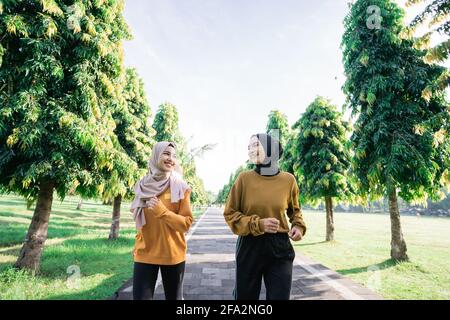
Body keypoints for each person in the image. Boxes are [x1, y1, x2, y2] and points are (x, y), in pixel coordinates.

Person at [223, 133, 307, 300]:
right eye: (248, 147)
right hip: (250, 244)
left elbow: (295, 211)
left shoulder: (288, 180)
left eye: (255, 145)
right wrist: (258, 224)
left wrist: (298, 227)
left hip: (280, 247)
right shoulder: (244, 179)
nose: (250, 150)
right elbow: (230, 213)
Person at [130, 141, 193, 300]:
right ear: (156, 155)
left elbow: (186, 224)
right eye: (166, 153)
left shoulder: (181, 187)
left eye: (174, 156)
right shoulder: (142, 185)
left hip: (172, 254)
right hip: (145, 252)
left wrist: (162, 212)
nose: (171, 158)